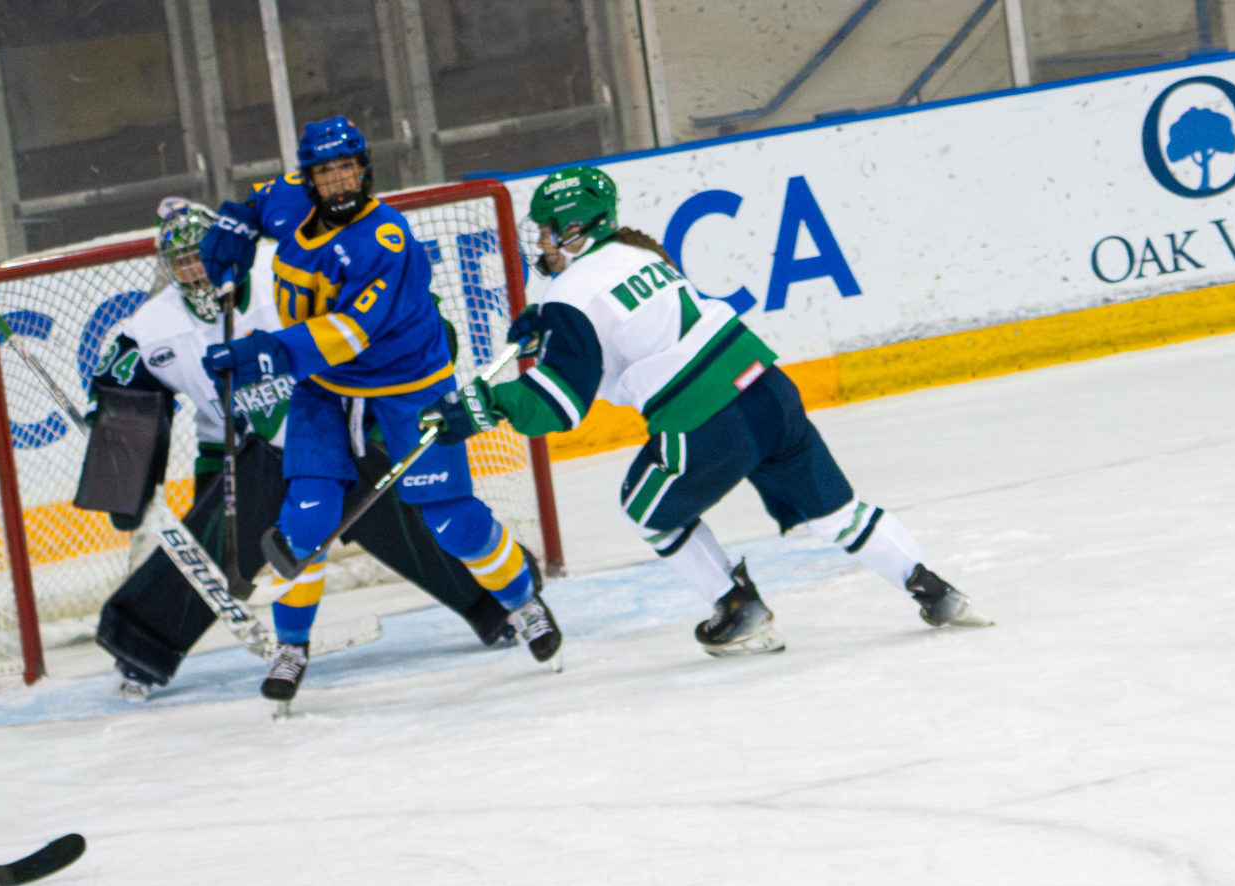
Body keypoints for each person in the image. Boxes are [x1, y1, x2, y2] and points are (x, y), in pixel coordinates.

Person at [421, 164, 987, 656]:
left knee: (647, 510)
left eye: (547, 229)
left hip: (706, 420)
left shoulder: (567, 295)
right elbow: (628, 328)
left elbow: (559, 405)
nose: (540, 241)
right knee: (837, 512)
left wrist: (483, 406)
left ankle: (739, 608)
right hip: (767, 387)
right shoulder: (638, 254)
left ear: (574, 231)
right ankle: (936, 591)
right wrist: (551, 334)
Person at [81, 200, 520, 699]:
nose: (198, 270)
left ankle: (501, 604)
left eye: (203, 254)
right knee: (213, 549)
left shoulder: (289, 270)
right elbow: (123, 396)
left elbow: (388, 306)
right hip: (242, 455)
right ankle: (141, 650)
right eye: (183, 262)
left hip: (340, 422)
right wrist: (118, 460)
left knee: (405, 511)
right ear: (168, 268)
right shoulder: (152, 329)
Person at [196, 116, 559, 703]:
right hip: (323, 386)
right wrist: (235, 221)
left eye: (347, 169)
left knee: (454, 522)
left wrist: (265, 354)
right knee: (306, 522)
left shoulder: (384, 239)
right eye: (326, 173)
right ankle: (292, 647)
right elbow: (259, 204)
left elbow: (351, 331)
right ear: (309, 178)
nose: (339, 182)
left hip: (406, 382)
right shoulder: (292, 198)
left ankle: (524, 603)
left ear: (364, 169)